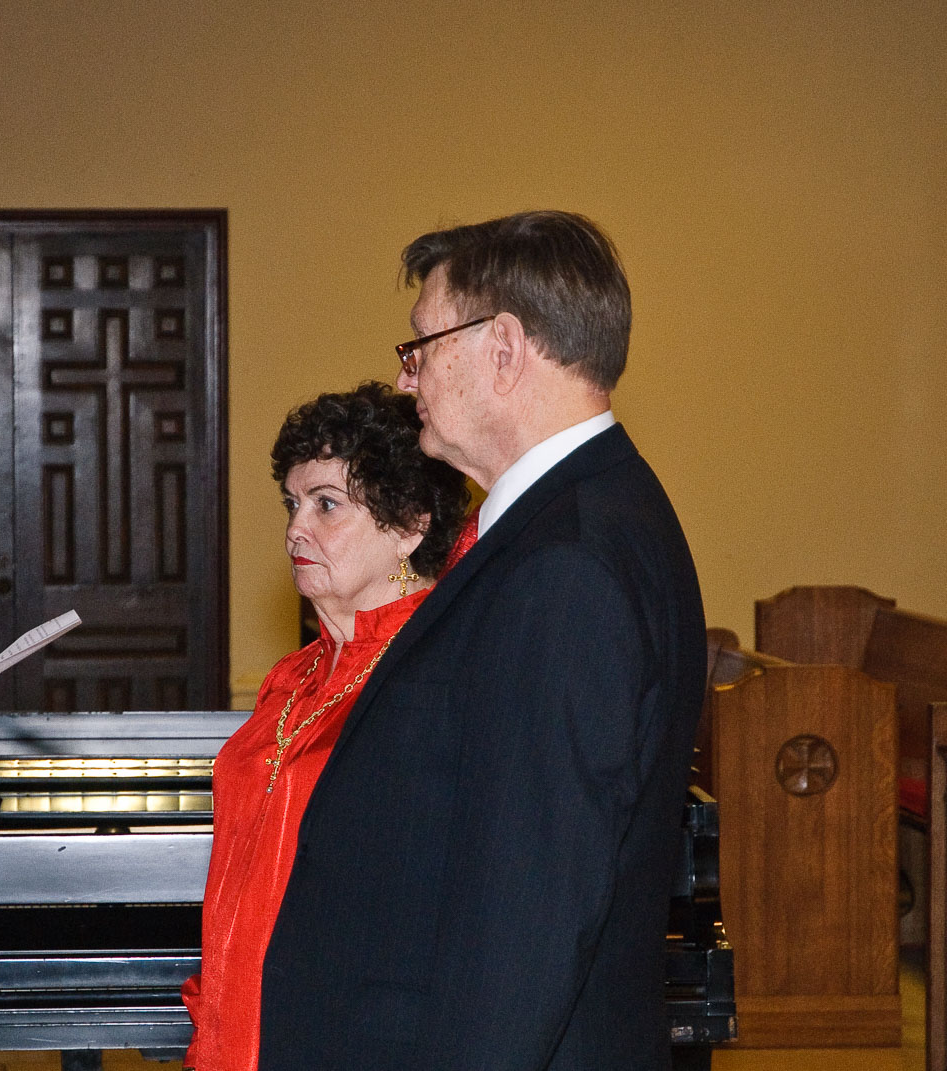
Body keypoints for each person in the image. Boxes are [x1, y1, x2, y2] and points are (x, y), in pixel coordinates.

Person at [259, 212, 706, 1070]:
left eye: (421, 345)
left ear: (503, 349)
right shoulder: (573, 520)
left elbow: (530, 910)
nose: (407, 376)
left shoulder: (567, 562)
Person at [182, 383, 474, 1071]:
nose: (295, 529)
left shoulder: (438, 677)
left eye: (326, 503)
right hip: (236, 1030)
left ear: (410, 524)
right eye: (293, 503)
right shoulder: (292, 679)